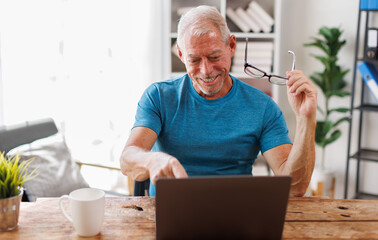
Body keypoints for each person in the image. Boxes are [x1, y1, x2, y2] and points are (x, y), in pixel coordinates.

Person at [120, 5, 317, 197]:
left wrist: (306, 119)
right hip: (172, 211)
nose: (206, 71)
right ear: (181, 54)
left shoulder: (263, 107)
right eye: (194, 60)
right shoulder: (158, 97)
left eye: (214, 57)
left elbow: (295, 187)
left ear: (231, 46)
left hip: (235, 214)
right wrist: (150, 160)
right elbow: (128, 158)